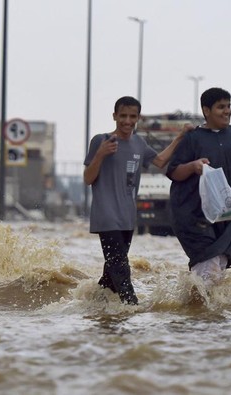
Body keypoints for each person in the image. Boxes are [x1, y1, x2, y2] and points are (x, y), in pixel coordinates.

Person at [84, 96, 186, 304]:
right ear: (114, 116)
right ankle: (132, 307)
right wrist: (100, 155)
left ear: (138, 118)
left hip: (127, 218)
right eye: (123, 116)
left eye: (132, 116)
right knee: (120, 265)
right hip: (106, 216)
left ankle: (95, 304)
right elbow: (88, 178)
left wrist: (180, 137)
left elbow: (160, 161)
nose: (127, 121)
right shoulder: (101, 140)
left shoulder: (139, 143)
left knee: (112, 272)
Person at [166, 87, 231, 285]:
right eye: (221, 107)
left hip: (227, 214)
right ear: (206, 110)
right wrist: (193, 166)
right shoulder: (192, 139)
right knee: (208, 262)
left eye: (229, 106)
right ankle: (201, 311)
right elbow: (173, 172)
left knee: (219, 262)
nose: (227, 111)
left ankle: (199, 310)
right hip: (194, 215)